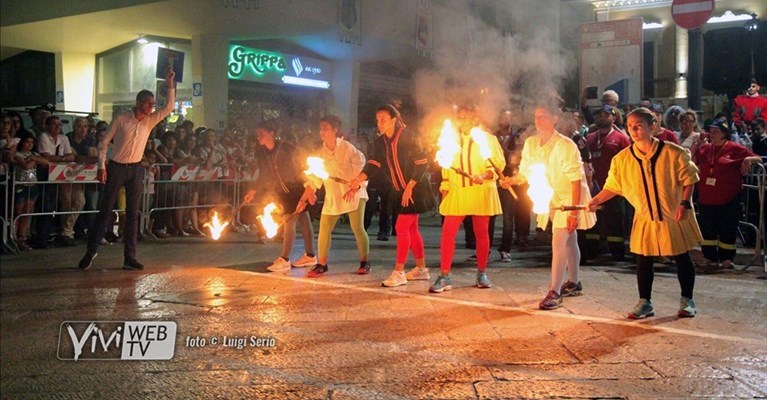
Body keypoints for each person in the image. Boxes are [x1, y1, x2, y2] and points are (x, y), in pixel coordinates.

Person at [589, 107, 701, 319]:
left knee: (681, 256)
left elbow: (690, 178)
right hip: (644, 216)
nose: (633, 130)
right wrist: (594, 201)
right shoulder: (622, 159)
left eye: (639, 126)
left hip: (672, 213)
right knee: (643, 258)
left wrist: (684, 203)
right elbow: (613, 186)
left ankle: (687, 299)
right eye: (630, 126)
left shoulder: (673, 152)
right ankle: (645, 301)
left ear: (652, 126)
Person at [78, 67, 176, 271]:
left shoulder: (149, 121)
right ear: (139, 103)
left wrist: (170, 84)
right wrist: (101, 166)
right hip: (117, 167)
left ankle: (129, 257)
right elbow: (104, 142)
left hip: (136, 169)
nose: (151, 107)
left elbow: (168, 107)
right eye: (148, 103)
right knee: (105, 210)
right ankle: (91, 251)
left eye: (152, 104)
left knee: (133, 213)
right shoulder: (122, 118)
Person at [503, 101, 596, 310]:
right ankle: (574, 282)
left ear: (555, 119)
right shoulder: (531, 143)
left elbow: (575, 180)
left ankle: (555, 291)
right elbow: (526, 172)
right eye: (536, 116)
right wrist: (511, 180)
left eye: (543, 115)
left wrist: (573, 212)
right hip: (550, 197)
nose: (538, 120)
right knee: (570, 240)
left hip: (569, 198)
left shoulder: (566, 145)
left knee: (559, 239)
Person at [347, 104, 434, 287]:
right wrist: (358, 179)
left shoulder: (409, 137)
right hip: (400, 190)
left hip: (415, 188)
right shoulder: (380, 142)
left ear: (394, 120)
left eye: (383, 120)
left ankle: (399, 272)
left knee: (402, 226)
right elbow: (373, 163)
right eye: (378, 120)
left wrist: (410, 186)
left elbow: (422, 162)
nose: (379, 123)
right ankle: (421, 269)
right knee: (411, 229)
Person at [429, 104, 505, 293]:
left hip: (481, 190)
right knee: (448, 232)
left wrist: (485, 176)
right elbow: (446, 167)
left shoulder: (488, 139)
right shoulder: (451, 139)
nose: (464, 121)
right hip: (458, 191)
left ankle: (481, 272)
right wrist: (445, 187)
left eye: (468, 117)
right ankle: (445, 275)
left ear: (476, 118)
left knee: (481, 232)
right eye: (461, 118)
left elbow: (498, 165)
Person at [297, 116, 371, 277]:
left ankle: (365, 262)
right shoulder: (320, 154)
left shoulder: (347, 147)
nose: (322, 131)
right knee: (324, 229)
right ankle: (321, 264)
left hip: (354, 193)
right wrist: (304, 199)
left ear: (335, 130)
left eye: (326, 128)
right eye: (321, 128)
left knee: (357, 227)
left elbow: (363, 166)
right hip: (334, 196)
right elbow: (314, 180)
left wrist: (356, 185)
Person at [243, 120, 316, 272]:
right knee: (303, 219)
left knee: (289, 219)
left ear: (272, 133)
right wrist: (253, 190)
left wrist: (309, 188)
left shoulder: (286, 147)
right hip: (282, 191)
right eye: (258, 134)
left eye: (262, 134)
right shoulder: (262, 152)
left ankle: (285, 259)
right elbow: (264, 174)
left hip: (297, 187)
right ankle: (310, 255)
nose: (259, 137)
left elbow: (301, 166)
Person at [694, 118, 761, 269]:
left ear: (724, 133)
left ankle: (726, 258)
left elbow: (757, 158)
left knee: (727, 229)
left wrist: (748, 159)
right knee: (707, 230)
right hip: (706, 197)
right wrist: (697, 143)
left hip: (728, 198)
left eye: (715, 132)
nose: (712, 134)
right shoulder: (705, 149)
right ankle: (710, 257)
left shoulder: (734, 148)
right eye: (710, 131)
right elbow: (691, 160)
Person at [582, 105, 630, 262]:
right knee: (593, 222)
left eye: (606, 115)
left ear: (613, 118)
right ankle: (591, 251)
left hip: (614, 188)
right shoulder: (589, 138)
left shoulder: (621, 138)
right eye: (600, 115)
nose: (602, 117)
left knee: (614, 221)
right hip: (593, 188)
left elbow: (629, 162)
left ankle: (617, 254)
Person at [35, 115, 76, 248]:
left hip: (61, 175)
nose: (57, 127)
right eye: (54, 124)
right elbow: (46, 156)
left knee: (60, 204)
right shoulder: (43, 137)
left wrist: (59, 159)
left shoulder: (63, 138)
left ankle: (59, 235)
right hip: (46, 173)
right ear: (47, 125)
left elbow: (71, 156)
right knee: (46, 206)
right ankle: (42, 238)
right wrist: (62, 158)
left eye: (59, 125)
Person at [12, 134, 48, 250]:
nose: (30, 144)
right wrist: (34, 160)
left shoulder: (34, 155)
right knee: (17, 213)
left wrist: (33, 158)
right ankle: (13, 236)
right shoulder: (17, 154)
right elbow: (25, 166)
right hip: (21, 185)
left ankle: (22, 238)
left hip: (32, 186)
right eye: (27, 141)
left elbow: (46, 161)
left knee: (26, 214)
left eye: (32, 142)